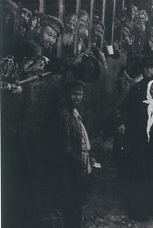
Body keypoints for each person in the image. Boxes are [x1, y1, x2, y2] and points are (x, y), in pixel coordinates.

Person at [119, 79, 153, 220]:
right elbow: (137, 128)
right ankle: (140, 212)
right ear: (149, 91)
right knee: (141, 179)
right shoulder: (141, 107)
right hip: (142, 148)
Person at [59, 81, 93, 228]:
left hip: (81, 158)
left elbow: (83, 136)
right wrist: (77, 161)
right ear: (67, 95)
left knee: (79, 199)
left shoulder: (77, 112)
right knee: (71, 200)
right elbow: (64, 145)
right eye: (74, 94)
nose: (77, 98)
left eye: (80, 94)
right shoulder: (64, 115)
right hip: (72, 163)